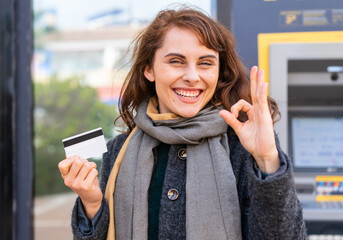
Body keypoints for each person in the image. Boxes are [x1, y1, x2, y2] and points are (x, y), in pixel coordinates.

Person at [58, 7, 307, 240]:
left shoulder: (242, 146)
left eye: (205, 63)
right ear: (149, 70)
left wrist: (267, 160)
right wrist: (91, 204)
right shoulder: (118, 151)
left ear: (218, 72)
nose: (191, 76)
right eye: (176, 61)